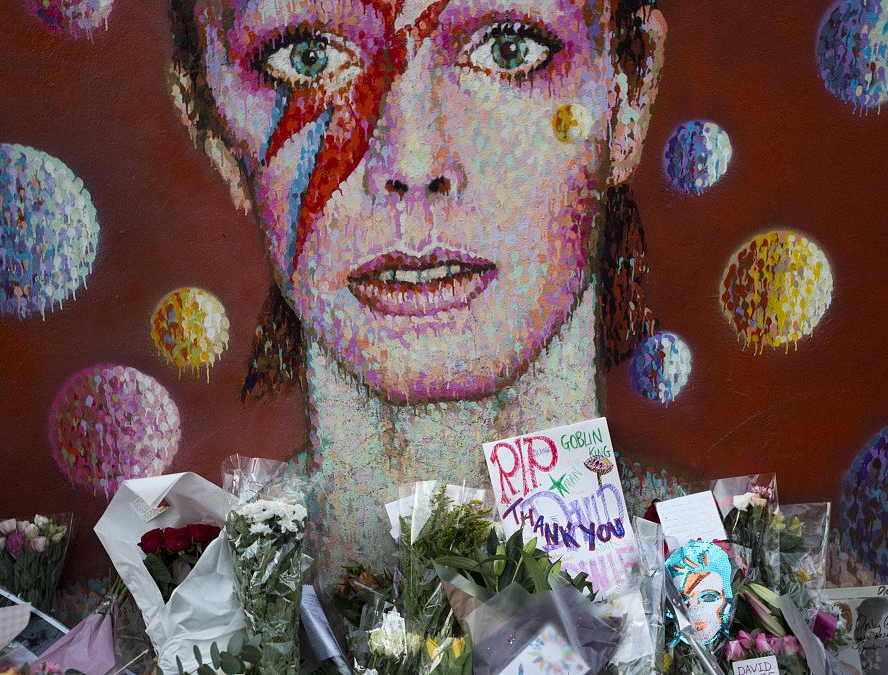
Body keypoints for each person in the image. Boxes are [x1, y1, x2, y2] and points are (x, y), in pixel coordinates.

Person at [168, 0, 675, 573]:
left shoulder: (742, 589)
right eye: (308, 59)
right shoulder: (151, 639)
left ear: (627, 97)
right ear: (210, 120)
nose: (410, 158)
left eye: (509, 48)